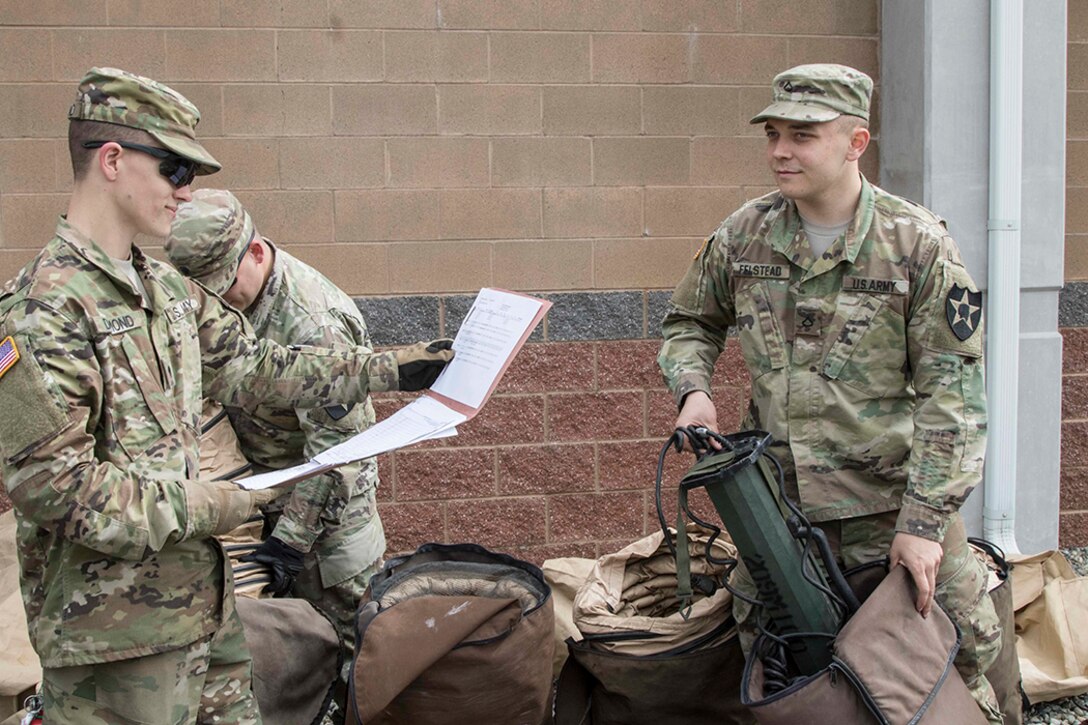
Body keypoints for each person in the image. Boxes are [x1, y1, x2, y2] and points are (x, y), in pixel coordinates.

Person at [0, 67, 453, 725]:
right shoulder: (39, 309)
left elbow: (255, 366)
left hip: (205, 617)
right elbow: (55, 488)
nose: (187, 193)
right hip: (114, 642)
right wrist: (217, 504)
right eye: (176, 170)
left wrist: (394, 367)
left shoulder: (164, 288)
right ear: (113, 161)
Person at [657, 63, 1003, 722]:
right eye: (774, 134)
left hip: (890, 512)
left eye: (804, 135)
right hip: (781, 514)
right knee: (786, 675)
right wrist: (693, 389)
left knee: (955, 662)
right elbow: (689, 321)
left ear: (855, 142)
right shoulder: (744, 236)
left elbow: (954, 397)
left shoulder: (917, 247)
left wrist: (924, 526)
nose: (781, 150)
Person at [166, 189, 392, 713]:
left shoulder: (315, 323)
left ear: (257, 252)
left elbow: (339, 451)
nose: (220, 303)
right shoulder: (220, 303)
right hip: (267, 503)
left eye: (227, 287)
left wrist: (290, 541)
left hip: (329, 525)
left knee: (357, 658)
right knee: (295, 660)